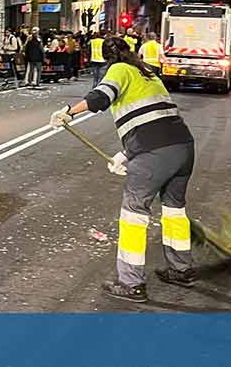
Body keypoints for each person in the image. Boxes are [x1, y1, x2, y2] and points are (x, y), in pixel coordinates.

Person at [49, 37, 196, 303]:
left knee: (134, 214)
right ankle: (181, 269)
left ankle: (131, 283)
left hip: (153, 152)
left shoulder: (118, 70)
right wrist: (126, 155)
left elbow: (100, 98)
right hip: (182, 146)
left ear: (108, 59)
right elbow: (153, 116)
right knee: (175, 212)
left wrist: (69, 112)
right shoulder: (147, 72)